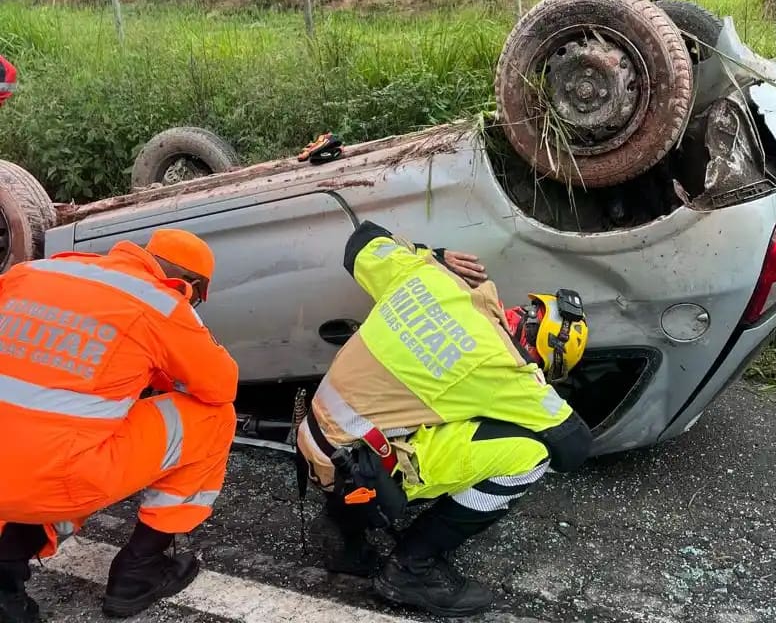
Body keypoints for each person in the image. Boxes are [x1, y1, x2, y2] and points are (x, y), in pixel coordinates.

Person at [297, 220, 592, 618]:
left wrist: (433, 255)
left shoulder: (432, 278)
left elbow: (361, 243)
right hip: (355, 468)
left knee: (425, 410)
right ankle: (411, 569)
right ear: (539, 352)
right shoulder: (504, 366)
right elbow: (573, 446)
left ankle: (343, 527)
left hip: (315, 434)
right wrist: (534, 379)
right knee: (529, 456)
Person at [0, 229, 239, 623]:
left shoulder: (32, 272)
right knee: (213, 418)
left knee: (27, 426)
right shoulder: (161, 303)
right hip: (55, 479)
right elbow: (220, 385)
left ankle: (5, 579)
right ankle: (141, 569)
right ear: (190, 287)